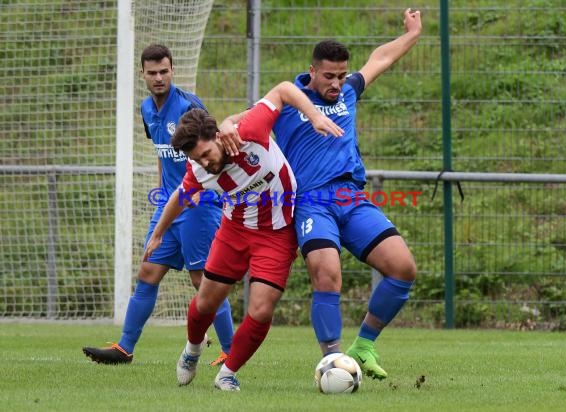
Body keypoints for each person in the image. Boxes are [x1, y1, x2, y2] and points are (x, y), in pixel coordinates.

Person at [220, 9, 422, 381]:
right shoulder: (287, 104)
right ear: (311, 71)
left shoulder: (348, 93)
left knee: (403, 268)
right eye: (329, 75)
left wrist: (411, 34)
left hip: (351, 198)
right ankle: (332, 364)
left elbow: (381, 58)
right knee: (326, 273)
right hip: (312, 202)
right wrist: (225, 125)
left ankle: (363, 346)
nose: (336, 82)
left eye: (342, 75)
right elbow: (238, 120)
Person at [143, 80, 343, 391]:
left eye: (206, 154)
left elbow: (284, 89)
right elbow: (180, 196)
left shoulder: (250, 130)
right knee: (206, 303)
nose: (205, 163)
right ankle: (192, 349)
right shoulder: (199, 170)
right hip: (234, 232)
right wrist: (157, 235)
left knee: (262, 309)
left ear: (218, 136)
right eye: (197, 159)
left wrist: (314, 115)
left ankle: (228, 372)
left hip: (277, 234)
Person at [82, 44, 234, 366]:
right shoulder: (146, 109)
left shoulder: (189, 106)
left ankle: (231, 350)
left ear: (172, 70)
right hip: (169, 204)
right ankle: (124, 348)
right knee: (148, 271)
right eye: (152, 73)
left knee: (203, 281)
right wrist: (160, 188)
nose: (159, 77)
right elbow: (163, 153)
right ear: (143, 75)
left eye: (164, 71)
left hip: (198, 204)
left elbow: (215, 150)